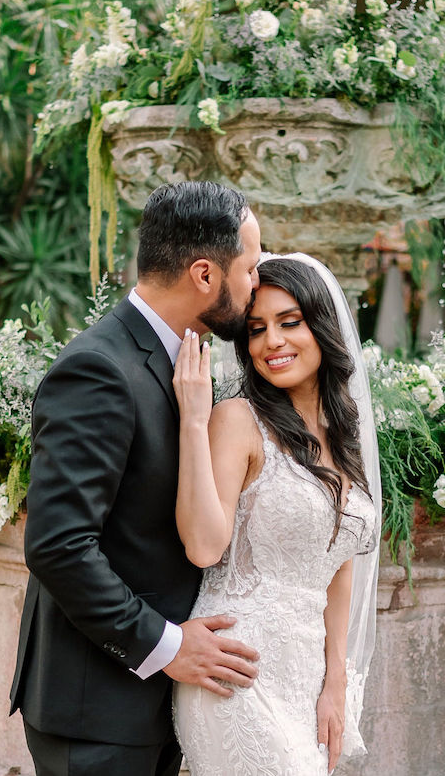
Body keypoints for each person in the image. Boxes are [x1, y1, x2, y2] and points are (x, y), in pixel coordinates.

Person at [10, 181, 265, 776]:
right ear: (204, 275)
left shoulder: (184, 355)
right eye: (249, 269)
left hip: (154, 708)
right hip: (97, 708)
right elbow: (58, 547)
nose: (255, 285)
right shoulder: (98, 369)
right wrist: (170, 648)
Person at [171, 254, 382, 775]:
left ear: (323, 328)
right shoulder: (238, 419)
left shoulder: (343, 438)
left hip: (308, 680)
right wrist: (195, 423)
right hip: (237, 670)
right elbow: (203, 547)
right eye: (257, 329)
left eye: (290, 323)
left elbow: (339, 561)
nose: (272, 342)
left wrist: (335, 682)